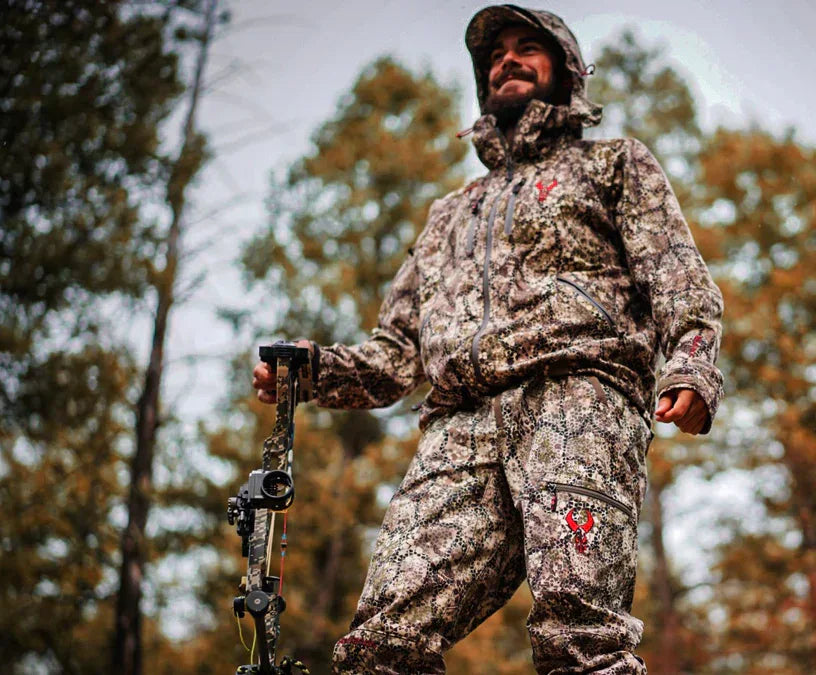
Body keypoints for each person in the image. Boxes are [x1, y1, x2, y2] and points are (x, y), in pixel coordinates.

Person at [252, 5, 724, 672]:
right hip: (458, 428)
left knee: (579, 633)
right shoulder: (450, 213)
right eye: (495, 53)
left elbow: (680, 279)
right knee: (380, 642)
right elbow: (393, 357)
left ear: (565, 71)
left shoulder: (613, 165)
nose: (507, 59)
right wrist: (311, 370)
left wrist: (692, 369)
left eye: (527, 47)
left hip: (578, 404)